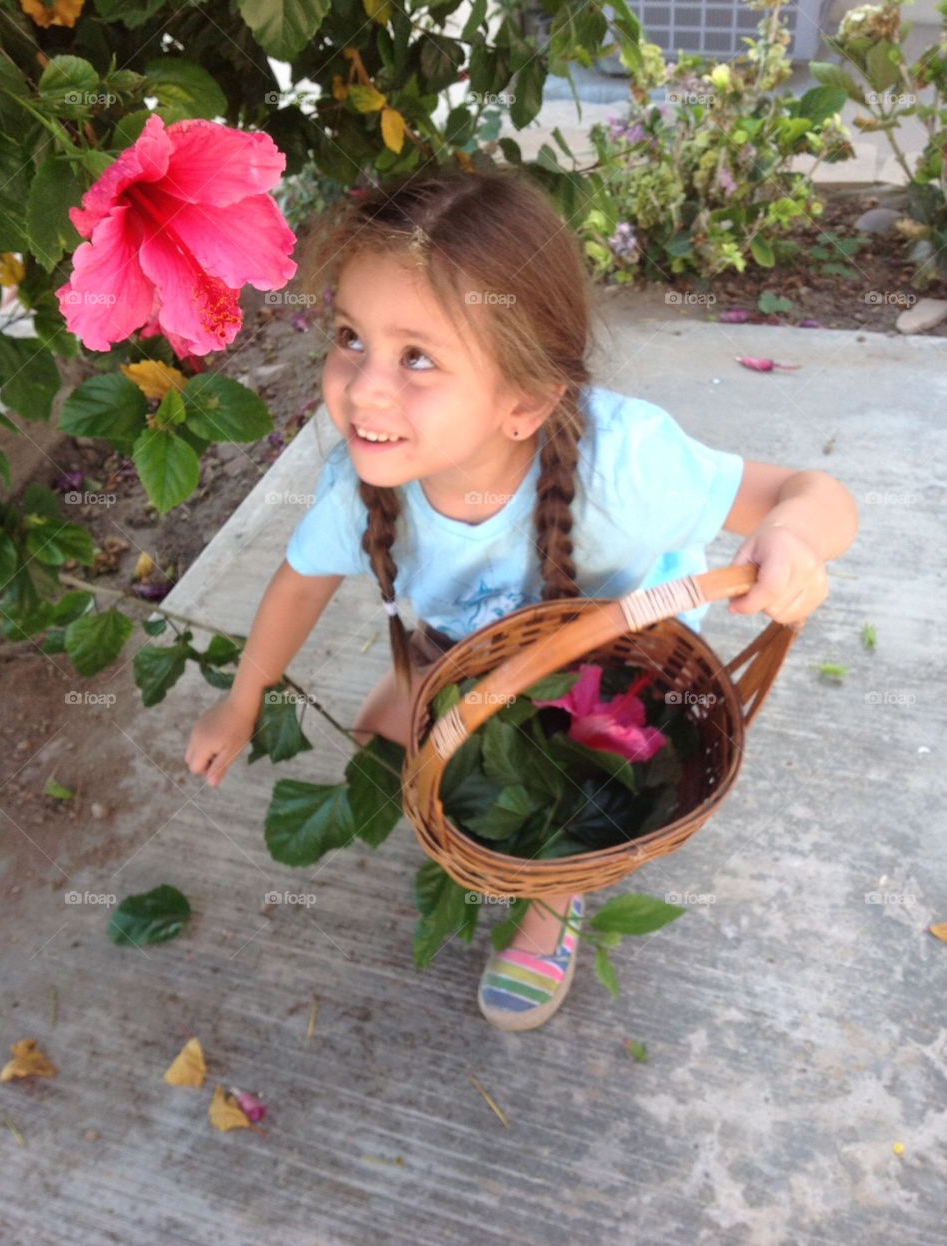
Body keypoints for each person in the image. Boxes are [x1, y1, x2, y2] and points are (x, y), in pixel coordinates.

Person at [184, 168, 859, 1032]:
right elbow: (301, 581)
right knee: (396, 741)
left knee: (563, 803)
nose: (362, 389)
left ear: (526, 400)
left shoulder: (625, 464)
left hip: (616, 674)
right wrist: (243, 701)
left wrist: (796, 537)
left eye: (417, 356)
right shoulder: (361, 482)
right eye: (351, 337)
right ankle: (421, 684)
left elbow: (813, 492)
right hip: (471, 643)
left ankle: (551, 904)